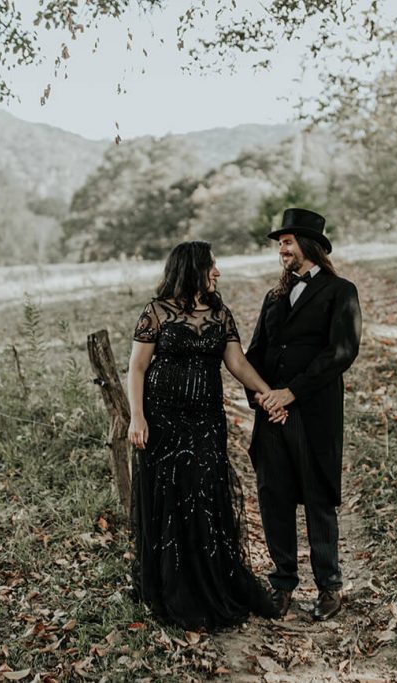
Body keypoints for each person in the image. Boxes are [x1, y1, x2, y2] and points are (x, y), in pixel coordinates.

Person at [126, 241, 284, 630]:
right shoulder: (156, 312)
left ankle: (207, 583)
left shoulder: (219, 314)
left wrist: (267, 395)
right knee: (170, 501)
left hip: (206, 422)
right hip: (162, 422)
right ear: (194, 269)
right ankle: (172, 588)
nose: (218, 273)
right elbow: (137, 369)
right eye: (212, 266)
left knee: (204, 500)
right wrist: (137, 418)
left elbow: (237, 363)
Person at [245, 208, 362, 622]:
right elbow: (255, 353)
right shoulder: (273, 297)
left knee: (318, 500)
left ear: (309, 246)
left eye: (288, 241)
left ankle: (329, 587)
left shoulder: (340, 291)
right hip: (271, 415)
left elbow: (341, 352)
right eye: (279, 243)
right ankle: (281, 585)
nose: (282, 249)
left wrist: (290, 394)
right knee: (273, 498)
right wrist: (263, 398)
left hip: (313, 414)